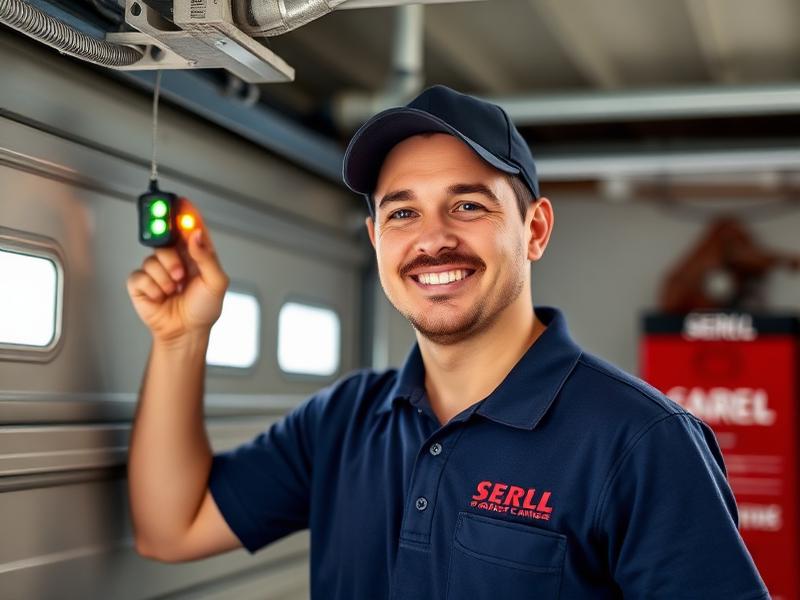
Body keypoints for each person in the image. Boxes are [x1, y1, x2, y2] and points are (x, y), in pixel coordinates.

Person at [127, 85, 769, 599]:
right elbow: (171, 528)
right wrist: (182, 339)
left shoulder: (639, 442)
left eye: (468, 206)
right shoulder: (344, 422)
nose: (432, 239)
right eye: (402, 212)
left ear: (535, 229)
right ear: (376, 238)